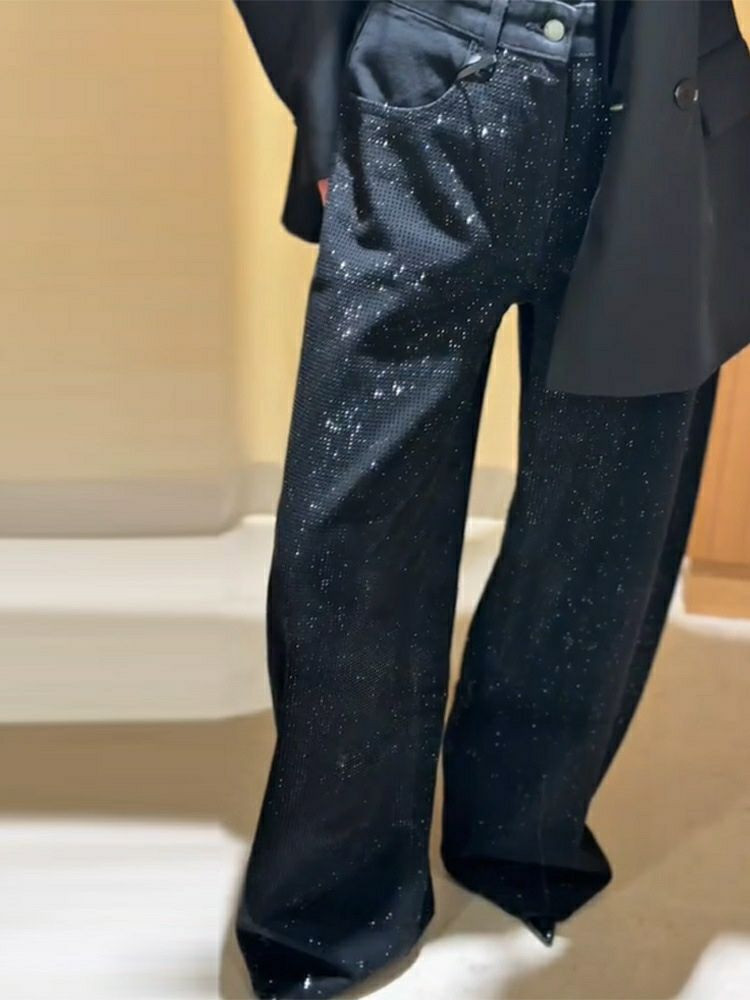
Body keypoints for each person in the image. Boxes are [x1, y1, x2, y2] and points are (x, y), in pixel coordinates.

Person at [231, 1, 750, 997]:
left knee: (602, 523)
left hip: (659, 106)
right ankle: (333, 898)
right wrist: (323, 98)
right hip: (429, 75)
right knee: (357, 530)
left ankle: (523, 826)